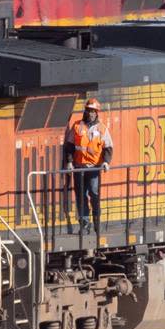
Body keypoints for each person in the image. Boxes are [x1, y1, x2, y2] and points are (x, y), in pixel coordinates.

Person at [63, 98, 113, 234]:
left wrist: (106, 162)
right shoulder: (77, 126)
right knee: (80, 196)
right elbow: (69, 145)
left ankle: (97, 221)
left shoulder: (102, 129)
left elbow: (108, 147)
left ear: (97, 113)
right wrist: (69, 161)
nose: (90, 113)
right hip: (79, 167)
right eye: (88, 110)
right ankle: (85, 225)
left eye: (93, 111)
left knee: (94, 194)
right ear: (85, 111)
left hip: (94, 168)